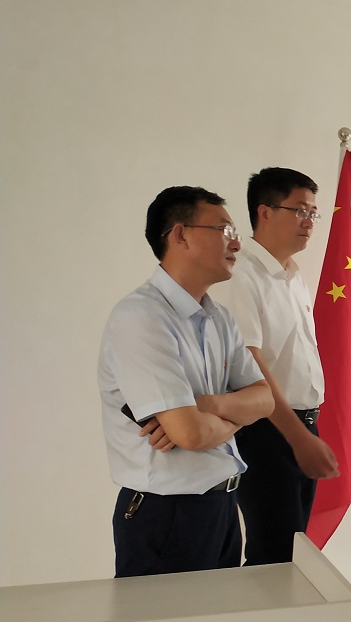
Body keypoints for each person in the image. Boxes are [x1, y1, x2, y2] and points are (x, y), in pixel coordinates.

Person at [98, 186, 272, 577]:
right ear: (181, 235)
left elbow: (265, 400)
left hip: (222, 504)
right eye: (224, 230)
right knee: (163, 620)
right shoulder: (141, 318)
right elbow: (190, 434)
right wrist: (232, 413)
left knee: (220, 617)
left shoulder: (219, 317)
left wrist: (207, 405)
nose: (236, 244)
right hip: (167, 513)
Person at [214, 167, 337, 566]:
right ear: (264, 212)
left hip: (302, 424)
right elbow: (249, 363)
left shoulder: (292, 276)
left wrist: (307, 432)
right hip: (267, 430)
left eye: (314, 212)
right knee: (275, 555)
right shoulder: (241, 274)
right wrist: (298, 437)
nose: (309, 221)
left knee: (293, 553)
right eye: (300, 210)